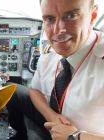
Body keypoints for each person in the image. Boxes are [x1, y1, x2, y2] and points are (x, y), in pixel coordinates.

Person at [7, 0, 104, 140]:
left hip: (78, 135)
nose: (58, 30)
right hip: (56, 121)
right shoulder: (49, 53)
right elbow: (35, 91)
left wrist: (75, 136)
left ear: (93, 16)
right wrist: (52, 117)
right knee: (11, 89)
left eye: (70, 16)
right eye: (49, 19)